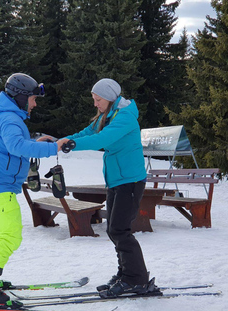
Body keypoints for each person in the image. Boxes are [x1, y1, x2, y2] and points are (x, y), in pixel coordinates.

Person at [0, 73, 66, 306]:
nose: (34, 104)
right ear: (20, 97)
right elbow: (16, 146)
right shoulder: (9, 118)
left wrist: (38, 145)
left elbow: (13, 147)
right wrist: (53, 148)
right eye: (32, 99)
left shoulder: (5, 116)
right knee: (11, 235)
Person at [57, 78, 159, 298]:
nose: (95, 103)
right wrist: (62, 140)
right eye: (94, 99)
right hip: (116, 181)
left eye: (98, 99)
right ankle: (126, 274)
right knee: (114, 229)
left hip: (130, 182)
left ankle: (136, 280)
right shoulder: (108, 115)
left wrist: (72, 145)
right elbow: (87, 133)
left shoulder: (125, 118)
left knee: (119, 230)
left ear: (110, 97)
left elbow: (101, 139)